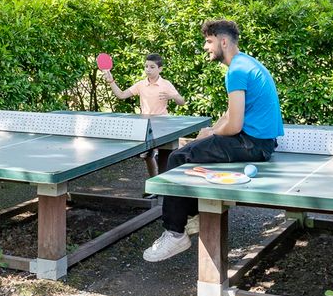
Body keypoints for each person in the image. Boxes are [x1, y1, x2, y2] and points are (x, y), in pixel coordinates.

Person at [142, 19, 283, 262]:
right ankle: (193, 215)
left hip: (252, 144)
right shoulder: (246, 62)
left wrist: (211, 135)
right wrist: (210, 132)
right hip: (257, 141)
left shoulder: (236, 71)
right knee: (194, 151)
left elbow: (235, 125)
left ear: (224, 41)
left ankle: (175, 233)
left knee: (178, 157)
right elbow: (230, 115)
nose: (206, 46)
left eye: (209, 41)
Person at [101, 52, 186, 176]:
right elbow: (121, 95)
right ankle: (154, 183)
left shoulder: (166, 84)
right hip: (146, 125)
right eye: (146, 66)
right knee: (147, 156)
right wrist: (111, 81)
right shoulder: (141, 85)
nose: (148, 70)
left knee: (164, 156)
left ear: (160, 69)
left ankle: (162, 186)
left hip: (163, 125)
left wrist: (172, 96)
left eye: (152, 67)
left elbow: (182, 102)